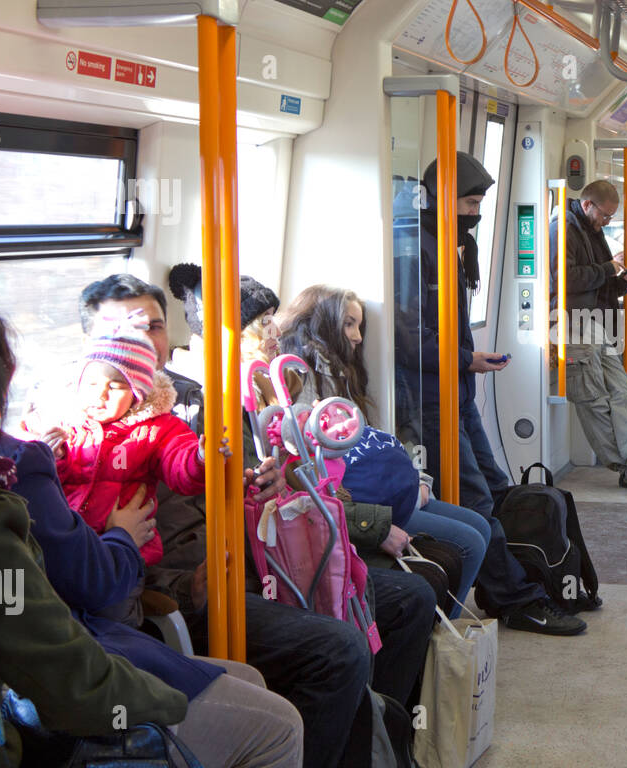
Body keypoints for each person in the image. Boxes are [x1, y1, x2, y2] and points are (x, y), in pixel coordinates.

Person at [0, 302, 304, 768]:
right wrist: (166, 700)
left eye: (119, 383)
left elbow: (184, 464)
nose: (103, 394)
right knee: (280, 722)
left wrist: (210, 456)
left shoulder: (158, 430)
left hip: (119, 597)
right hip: (78, 636)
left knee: (249, 678)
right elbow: (65, 651)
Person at [77, 274, 374, 768]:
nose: (147, 338)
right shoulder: (79, 424)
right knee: (339, 652)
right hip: (178, 592)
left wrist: (265, 481)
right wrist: (184, 584)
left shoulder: (197, 400)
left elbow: (219, 473)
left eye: (153, 325)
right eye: (128, 327)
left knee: (378, 616)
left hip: (251, 555)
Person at [161, 268, 436, 711]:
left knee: (419, 591)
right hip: (258, 557)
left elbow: (316, 475)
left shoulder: (279, 386)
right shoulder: (203, 408)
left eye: (273, 315)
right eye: (259, 320)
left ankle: (381, 727)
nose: (273, 328)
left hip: (295, 536)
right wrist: (369, 523)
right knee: (366, 627)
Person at [396, 153, 586, 635]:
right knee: (478, 500)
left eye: (481, 201)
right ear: (442, 196)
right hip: (428, 399)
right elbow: (408, 337)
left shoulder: (450, 244)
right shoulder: (416, 249)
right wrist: (466, 359)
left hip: (456, 390)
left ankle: (535, 576)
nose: (476, 211)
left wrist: (467, 363)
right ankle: (514, 599)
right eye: (470, 200)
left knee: (499, 488)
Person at [277, 284, 490, 620]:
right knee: (470, 542)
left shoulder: (345, 376)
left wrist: (417, 478)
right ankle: (437, 636)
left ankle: (437, 633)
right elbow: (310, 469)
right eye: (349, 324)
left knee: (479, 526)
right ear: (324, 325)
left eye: (358, 325)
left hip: (382, 489)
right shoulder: (299, 382)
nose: (358, 336)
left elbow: (377, 441)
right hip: (361, 499)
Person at [30, 309, 209, 569]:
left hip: (126, 553)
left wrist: (200, 458)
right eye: (91, 384)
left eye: (114, 387)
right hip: (67, 544)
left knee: (115, 607)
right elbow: (45, 486)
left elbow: (179, 466)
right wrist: (50, 457)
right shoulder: (64, 420)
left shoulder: (156, 430)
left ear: (137, 394)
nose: (100, 395)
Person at [551, 179, 627, 492]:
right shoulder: (562, 229)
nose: (606, 222)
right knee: (593, 397)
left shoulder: (591, 232)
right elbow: (565, 278)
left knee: (622, 389)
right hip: (572, 323)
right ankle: (624, 465)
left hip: (598, 322)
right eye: (604, 216)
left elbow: (599, 281)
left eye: (611, 218)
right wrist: (609, 268)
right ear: (587, 204)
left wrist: (624, 281)